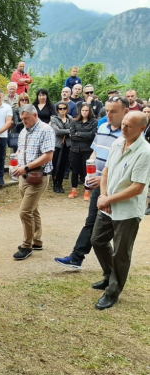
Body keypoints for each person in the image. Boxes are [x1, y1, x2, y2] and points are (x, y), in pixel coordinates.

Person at [55, 96, 129, 269]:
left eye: (114, 111)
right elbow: (95, 153)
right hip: (98, 185)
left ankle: (113, 271)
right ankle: (77, 257)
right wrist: (90, 173)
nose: (109, 115)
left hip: (116, 190)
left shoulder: (127, 135)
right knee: (91, 222)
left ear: (125, 111)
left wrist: (102, 177)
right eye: (107, 111)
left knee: (110, 231)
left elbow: (124, 168)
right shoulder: (102, 127)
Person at [90, 111, 150, 310]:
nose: (123, 128)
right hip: (108, 204)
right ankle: (109, 276)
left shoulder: (145, 152)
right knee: (97, 240)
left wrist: (109, 199)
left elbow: (137, 187)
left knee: (121, 253)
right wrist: (104, 195)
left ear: (142, 129)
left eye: (129, 126)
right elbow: (106, 170)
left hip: (127, 210)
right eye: (123, 124)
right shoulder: (117, 142)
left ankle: (113, 291)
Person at [11, 105, 55, 260]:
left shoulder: (46, 130)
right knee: (33, 209)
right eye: (22, 119)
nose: (23, 121)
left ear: (35, 115)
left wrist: (26, 167)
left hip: (38, 176)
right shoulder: (23, 131)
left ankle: (27, 245)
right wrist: (16, 162)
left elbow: (48, 156)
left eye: (26, 118)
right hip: (23, 176)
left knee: (25, 211)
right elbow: (21, 151)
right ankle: (37, 241)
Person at [68, 103, 97, 200]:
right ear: (80, 111)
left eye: (86, 110)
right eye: (83, 110)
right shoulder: (74, 121)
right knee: (75, 170)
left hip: (87, 150)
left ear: (90, 111)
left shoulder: (94, 122)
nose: (84, 112)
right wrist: (85, 135)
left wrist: (78, 133)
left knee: (87, 171)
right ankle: (74, 190)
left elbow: (92, 135)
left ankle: (87, 190)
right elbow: (72, 136)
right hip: (75, 150)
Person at [51, 102, 74, 194]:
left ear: (67, 109)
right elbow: (56, 131)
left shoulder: (70, 119)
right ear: (57, 110)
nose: (62, 110)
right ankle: (55, 184)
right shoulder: (54, 119)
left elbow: (73, 130)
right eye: (60, 109)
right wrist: (68, 131)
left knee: (63, 165)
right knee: (56, 164)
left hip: (67, 145)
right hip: (57, 145)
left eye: (64, 108)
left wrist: (63, 131)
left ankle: (60, 184)